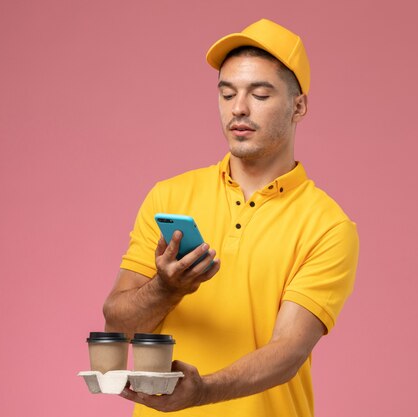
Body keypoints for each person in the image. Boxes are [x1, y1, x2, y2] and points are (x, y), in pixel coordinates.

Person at [102, 18, 359, 417]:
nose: (238, 108)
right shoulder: (170, 196)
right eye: (227, 94)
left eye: (259, 94)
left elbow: (288, 351)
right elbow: (118, 326)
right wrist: (167, 289)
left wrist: (202, 391)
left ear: (299, 106)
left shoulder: (327, 225)